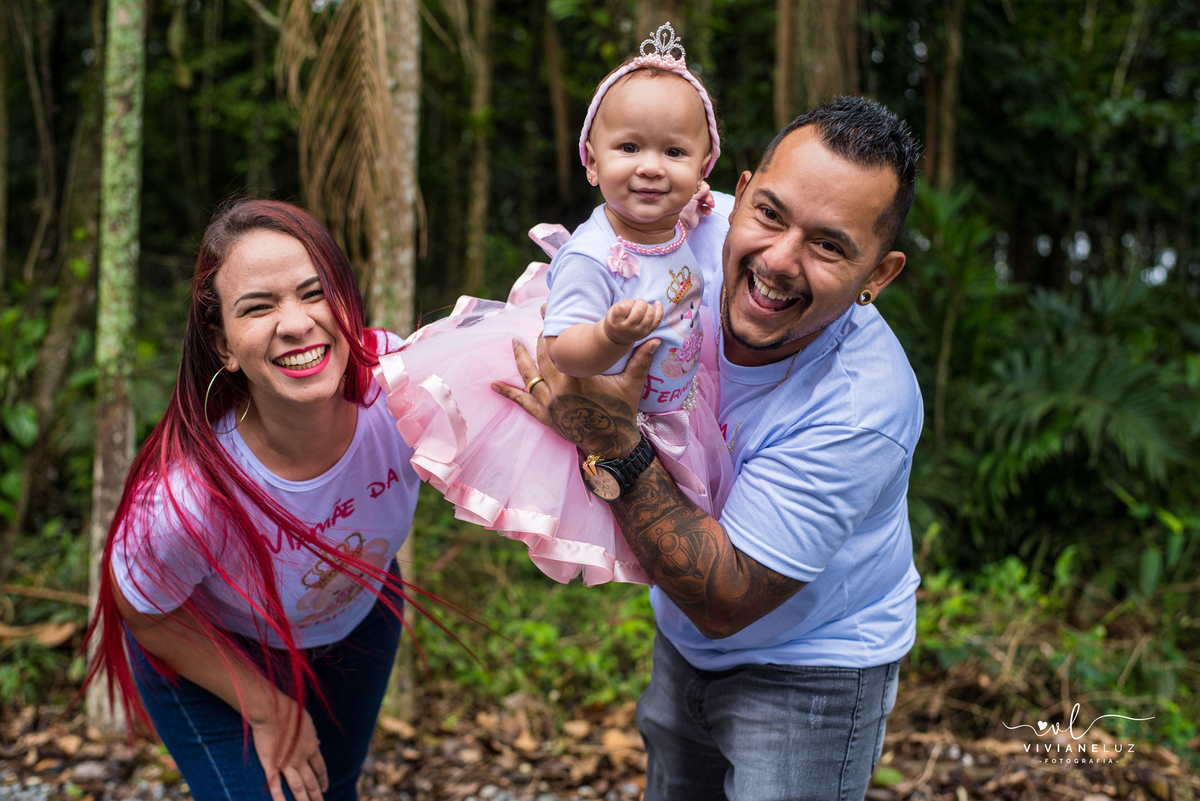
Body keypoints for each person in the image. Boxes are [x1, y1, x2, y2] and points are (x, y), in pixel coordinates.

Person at [495, 96, 923, 800]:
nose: (779, 260)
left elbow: (724, 597)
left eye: (829, 245)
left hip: (811, 665)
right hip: (683, 642)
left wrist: (609, 438)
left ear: (878, 275)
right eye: (771, 214)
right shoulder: (684, 226)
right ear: (739, 192)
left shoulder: (863, 406)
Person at [83, 199, 422, 801]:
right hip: (212, 647)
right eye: (259, 308)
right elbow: (143, 609)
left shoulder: (405, 388)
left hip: (359, 616)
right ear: (224, 347)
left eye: (314, 293)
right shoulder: (186, 498)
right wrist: (267, 709)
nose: (296, 324)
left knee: (329, 791)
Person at [374, 22, 732, 587]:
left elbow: (687, 209)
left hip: (683, 400)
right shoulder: (594, 258)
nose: (650, 166)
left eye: (674, 152)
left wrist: (698, 199)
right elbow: (564, 353)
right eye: (629, 147)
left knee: (703, 531)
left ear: (702, 168)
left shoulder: (679, 217)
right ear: (591, 161)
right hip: (626, 407)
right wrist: (611, 335)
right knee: (668, 541)